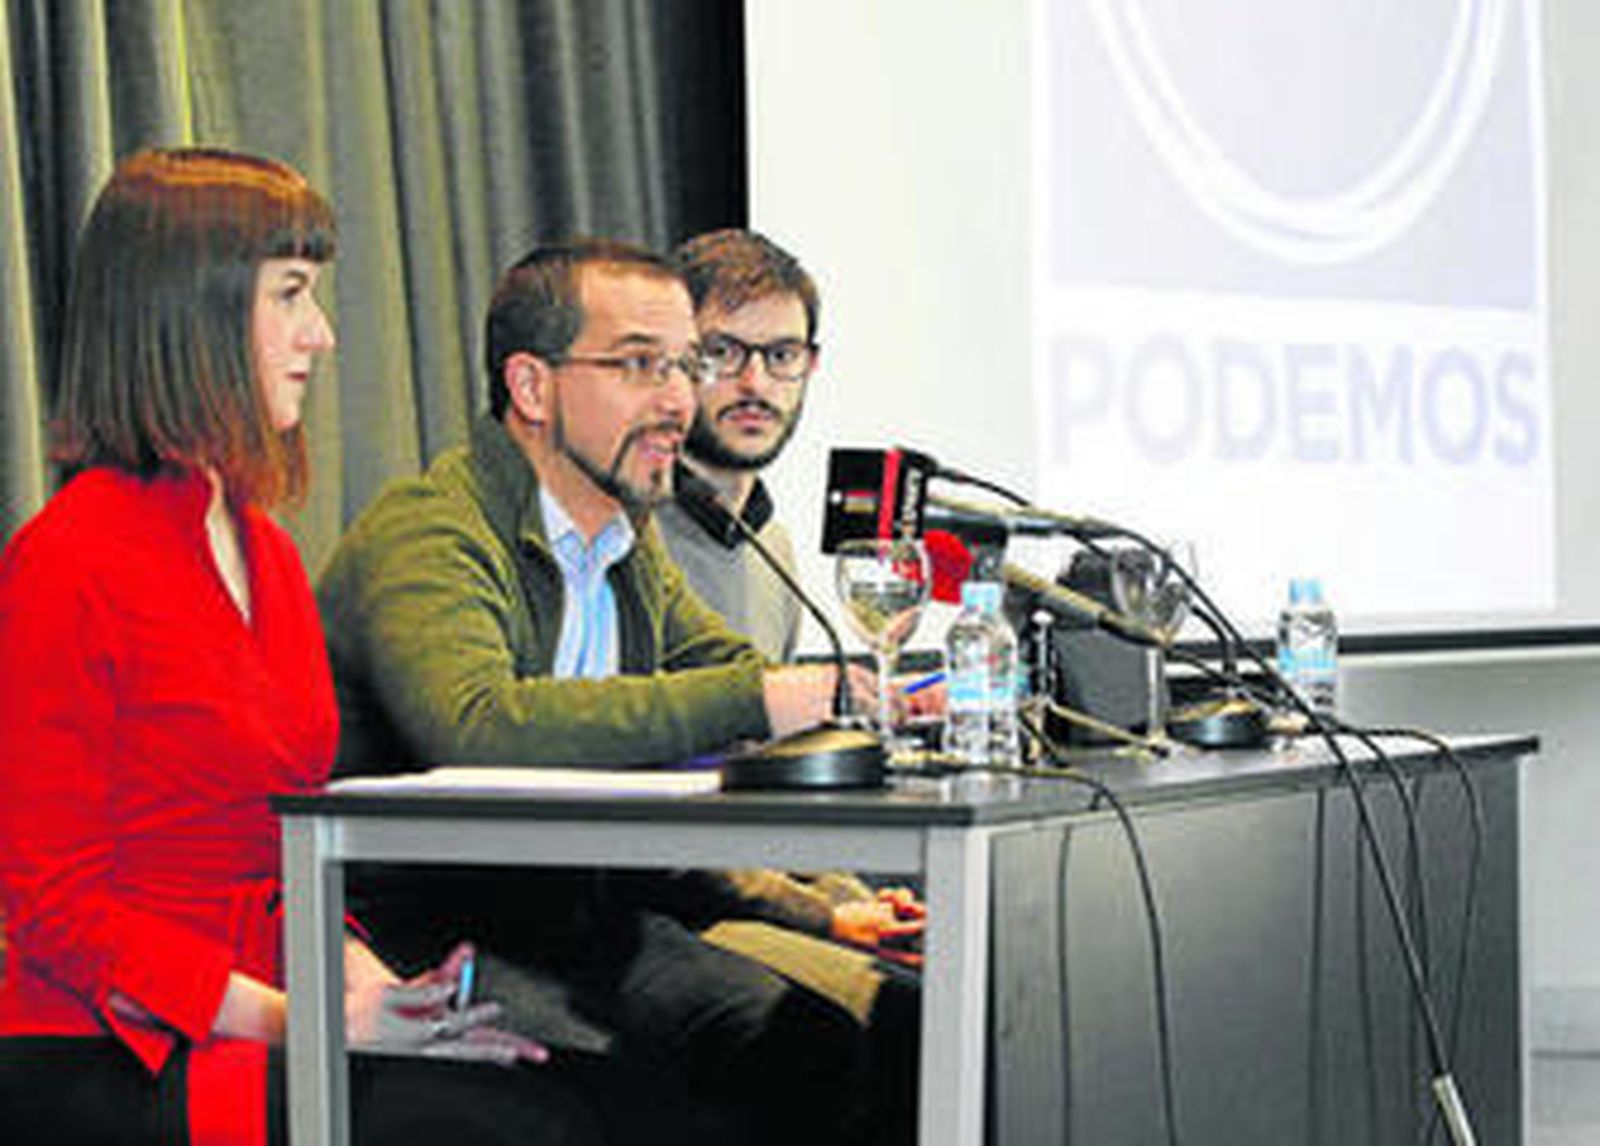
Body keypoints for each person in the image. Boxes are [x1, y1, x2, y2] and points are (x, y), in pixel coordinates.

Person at [0, 148, 602, 1146]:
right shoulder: (65, 561)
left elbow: (278, 858)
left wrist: (374, 993)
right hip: (102, 1042)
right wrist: (307, 1021)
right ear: (186, 312)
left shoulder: (266, 547)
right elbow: (50, 904)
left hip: (267, 1010)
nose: (319, 335)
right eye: (290, 296)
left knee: (585, 1096)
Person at [316, 238, 913, 1143]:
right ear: (531, 388)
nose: (679, 401)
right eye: (640, 365)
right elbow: (477, 725)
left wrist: (865, 696)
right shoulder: (432, 529)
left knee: (810, 1045)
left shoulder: (629, 540)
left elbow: (734, 671)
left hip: (587, 923)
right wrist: (772, 699)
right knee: (620, 1097)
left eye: (683, 365)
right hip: (427, 931)